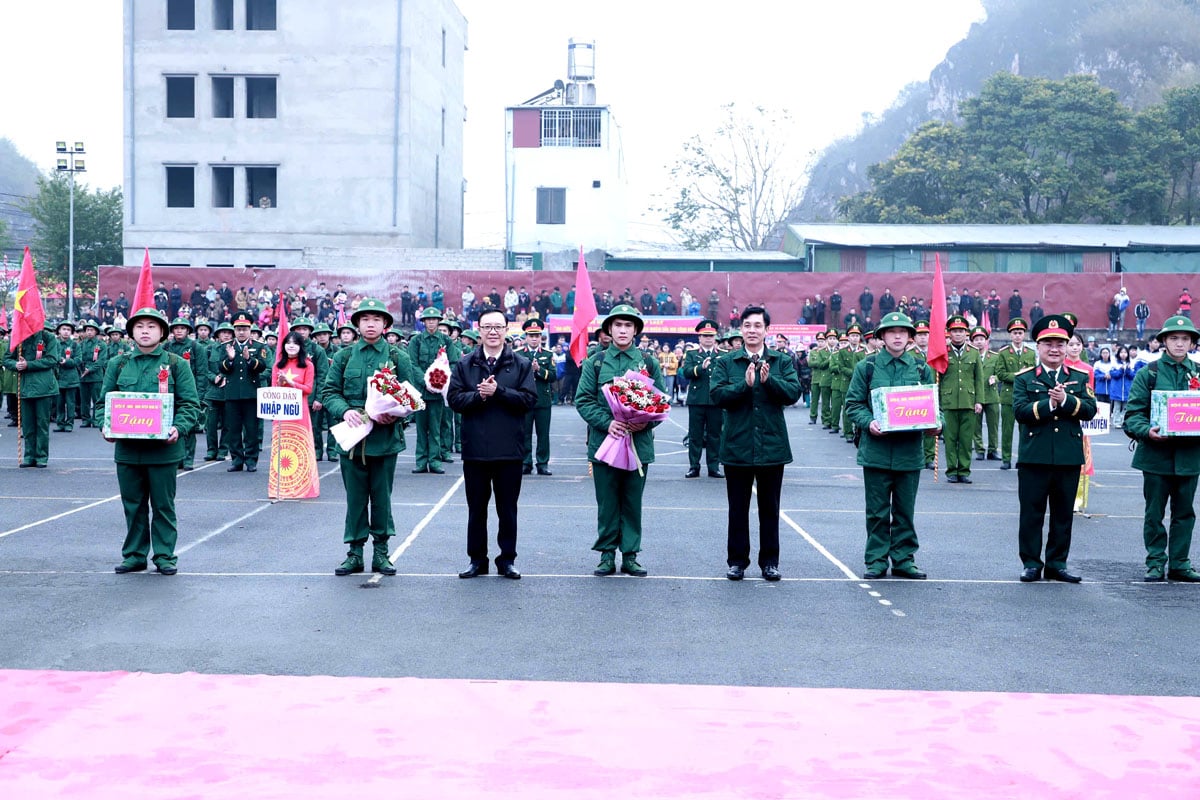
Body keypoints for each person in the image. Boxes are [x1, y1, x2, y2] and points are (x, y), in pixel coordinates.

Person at [102, 307, 201, 575]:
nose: (145, 331)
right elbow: (104, 402)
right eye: (140, 326)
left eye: (152, 326)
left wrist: (179, 428)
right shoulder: (118, 364)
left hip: (163, 451)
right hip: (128, 450)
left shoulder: (177, 364)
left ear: (162, 332)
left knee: (163, 506)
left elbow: (190, 404)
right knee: (132, 506)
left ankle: (165, 556)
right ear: (132, 332)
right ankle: (134, 555)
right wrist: (106, 425)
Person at [845, 312, 941, 579]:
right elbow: (853, 405)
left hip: (909, 453)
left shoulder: (922, 369)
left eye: (903, 332)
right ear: (881, 337)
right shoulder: (868, 367)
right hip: (876, 451)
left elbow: (933, 408)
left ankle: (903, 559)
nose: (897, 336)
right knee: (876, 512)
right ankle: (876, 560)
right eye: (891, 332)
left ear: (911, 338)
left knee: (905, 511)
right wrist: (869, 422)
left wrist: (938, 424)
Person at [323, 298, 414, 577]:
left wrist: (396, 415)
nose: (370, 324)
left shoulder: (398, 357)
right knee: (355, 499)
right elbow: (329, 392)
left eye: (376, 319)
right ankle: (354, 553)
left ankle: (382, 552)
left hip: (385, 440)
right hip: (352, 441)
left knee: (382, 499)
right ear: (357, 324)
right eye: (365, 319)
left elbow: (410, 398)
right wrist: (345, 410)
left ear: (385, 324)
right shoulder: (344, 356)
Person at [711, 306, 800, 581]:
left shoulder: (781, 361)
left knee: (769, 508)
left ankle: (770, 562)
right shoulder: (727, 362)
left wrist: (768, 381)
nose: (752, 330)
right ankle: (737, 561)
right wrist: (744, 386)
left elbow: (793, 393)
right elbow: (717, 395)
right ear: (741, 330)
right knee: (737, 508)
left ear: (766, 330)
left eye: (757, 326)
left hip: (771, 445)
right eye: (747, 325)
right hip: (737, 444)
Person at [575, 304, 664, 577]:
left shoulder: (648, 363)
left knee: (632, 501)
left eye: (628, 325)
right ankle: (606, 554)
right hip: (605, 444)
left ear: (636, 330)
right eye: (618, 325)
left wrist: (644, 420)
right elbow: (583, 400)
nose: (623, 330)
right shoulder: (595, 362)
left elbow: (660, 403)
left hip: (638, 445)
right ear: (609, 330)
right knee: (607, 501)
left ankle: (630, 555)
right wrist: (608, 423)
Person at [447, 307, 537, 579]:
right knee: (476, 510)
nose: (493, 332)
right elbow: (454, 400)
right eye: (487, 327)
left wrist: (499, 392)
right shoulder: (465, 364)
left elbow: (529, 400)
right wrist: (480, 396)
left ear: (507, 329)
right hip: (475, 450)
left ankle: (506, 559)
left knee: (507, 510)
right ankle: (477, 560)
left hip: (509, 450)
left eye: (498, 326)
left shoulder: (520, 364)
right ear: (479, 330)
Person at [1013, 314, 1097, 583]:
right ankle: (1031, 563)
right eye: (1048, 343)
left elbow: (1090, 410)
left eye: (1060, 344)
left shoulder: (1080, 377)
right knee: (1031, 514)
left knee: (1062, 515)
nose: (1054, 349)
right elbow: (1020, 411)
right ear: (1037, 347)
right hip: (1034, 457)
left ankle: (1057, 564)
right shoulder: (1025, 378)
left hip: (1067, 457)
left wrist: (1066, 400)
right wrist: (1050, 405)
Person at [1123, 315, 1200, 582]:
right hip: (1156, 456)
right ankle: (1155, 562)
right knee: (1154, 513)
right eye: (1174, 338)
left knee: (1185, 513)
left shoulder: (1199, 373)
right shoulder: (1150, 373)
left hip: (1190, 457)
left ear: (1192, 343)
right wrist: (1147, 431)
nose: (1180, 344)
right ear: (1164, 341)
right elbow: (1133, 415)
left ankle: (1180, 563)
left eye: (1185, 339)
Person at [269, 331, 319, 498]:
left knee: (300, 447)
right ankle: (281, 487)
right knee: (281, 448)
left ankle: (302, 487)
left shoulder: (308, 365)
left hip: (299, 412)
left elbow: (308, 389)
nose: (291, 346)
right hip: (281, 412)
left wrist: (290, 382)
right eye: (288, 342)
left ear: (300, 346)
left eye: (295, 343)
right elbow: (273, 389)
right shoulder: (277, 365)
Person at [4, 319, 59, 468]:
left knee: (41, 424)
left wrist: (29, 364)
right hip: (25, 386)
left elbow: (52, 360)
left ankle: (41, 456)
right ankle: (29, 456)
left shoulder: (48, 337)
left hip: (44, 387)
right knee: (27, 424)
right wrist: (16, 365)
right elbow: (6, 359)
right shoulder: (17, 338)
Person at [219, 311, 269, 473]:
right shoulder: (226, 347)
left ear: (250, 329)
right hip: (232, 394)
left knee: (251, 429)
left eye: (245, 329)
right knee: (233, 429)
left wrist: (249, 360)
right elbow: (221, 368)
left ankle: (251, 460)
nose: (241, 332)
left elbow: (262, 367)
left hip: (251, 394)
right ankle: (237, 459)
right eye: (238, 329)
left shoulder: (258, 346)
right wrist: (230, 360)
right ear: (234, 330)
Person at [940, 315, 984, 483]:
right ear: (949, 333)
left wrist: (979, 400)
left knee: (966, 439)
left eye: (961, 331)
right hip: (949, 402)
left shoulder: (973, 352)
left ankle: (964, 471)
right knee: (950, 439)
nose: (957, 334)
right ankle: (951, 470)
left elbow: (978, 379)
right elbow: (938, 377)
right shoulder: (943, 352)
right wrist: (937, 402)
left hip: (968, 401)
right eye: (954, 331)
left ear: (966, 333)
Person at [408, 307, 453, 474]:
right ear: (424, 322)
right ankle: (421, 461)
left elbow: (453, 362)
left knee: (435, 427)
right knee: (421, 427)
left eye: (434, 319)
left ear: (439, 321)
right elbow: (412, 363)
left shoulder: (446, 341)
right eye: (428, 319)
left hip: (438, 392)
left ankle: (434, 461)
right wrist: (426, 381)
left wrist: (441, 383)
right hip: (421, 391)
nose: (431, 322)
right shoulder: (416, 341)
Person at [683, 319, 724, 478]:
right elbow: (685, 372)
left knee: (715, 435)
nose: (708, 338)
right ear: (699, 338)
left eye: (711, 335)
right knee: (695, 435)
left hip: (715, 400)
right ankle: (694, 466)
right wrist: (700, 368)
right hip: (697, 400)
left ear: (715, 337)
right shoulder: (692, 354)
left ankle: (713, 467)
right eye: (704, 336)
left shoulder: (722, 355)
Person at [164, 317, 207, 470]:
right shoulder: (167, 346)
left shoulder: (196, 347)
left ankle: (188, 459)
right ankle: (177, 458)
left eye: (182, 328)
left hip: (190, 391)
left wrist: (200, 396)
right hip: (169, 391)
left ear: (188, 331)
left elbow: (202, 373)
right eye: (176, 328)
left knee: (188, 427)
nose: (179, 331)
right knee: (172, 425)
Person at [520, 318, 555, 476]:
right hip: (525, 400)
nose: (534, 339)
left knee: (543, 434)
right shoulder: (518, 354)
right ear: (526, 337)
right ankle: (525, 462)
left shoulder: (548, 355)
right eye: (531, 335)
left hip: (542, 400)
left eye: (537, 335)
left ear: (541, 337)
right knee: (524, 433)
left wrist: (539, 370)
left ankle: (542, 463)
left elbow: (554, 376)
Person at [970, 326, 1001, 462]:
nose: (979, 342)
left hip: (991, 395)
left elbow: (1001, 372)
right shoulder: (969, 357)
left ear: (986, 341)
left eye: (982, 339)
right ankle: (979, 450)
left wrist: (996, 378)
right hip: (975, 396)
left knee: (993, 425)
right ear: (972, 342)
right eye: (976, 339)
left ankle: (993, 450)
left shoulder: (995, 357)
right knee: (976, 425)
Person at [78, 319, 110, 428]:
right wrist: (82, 369)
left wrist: (90, 369)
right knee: (84, 399)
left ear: (96, 331)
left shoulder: (102, 345)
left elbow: (101, 361)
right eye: (87, 330)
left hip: (96, 376)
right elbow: (78, 358)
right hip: (83, 376)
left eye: (91, 330)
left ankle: (97, 419)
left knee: (97, 399)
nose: (89, 332)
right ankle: (86, 419)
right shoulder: (81, 344)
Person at [53, 321, 80, 433]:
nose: (66, 332)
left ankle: (69, 423)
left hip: (71, 378)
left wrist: (67, 362)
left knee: (70, 403)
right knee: (59, 403)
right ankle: (60, 423)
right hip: (58, 378)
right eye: (63, 329)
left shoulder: (74, 345)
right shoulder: (55, 344)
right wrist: (58, 360)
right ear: (59, 331)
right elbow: (52, 356)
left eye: (68, 330)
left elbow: (78, 359)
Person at [1109, 345, 1134, 428]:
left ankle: (1123, 421)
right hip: (1117, 389)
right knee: (1116, 407)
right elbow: (1113, 374)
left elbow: (1132, 376)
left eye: (1125, 352)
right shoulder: (1115, 363)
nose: (1123, 354)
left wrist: (1128, 370)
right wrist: (1121, 369)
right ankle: (1116, 422)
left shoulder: (1131, 363)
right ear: (1118, 353)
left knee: (1125, 407)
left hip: (1127, 389)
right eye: (1121, 352)